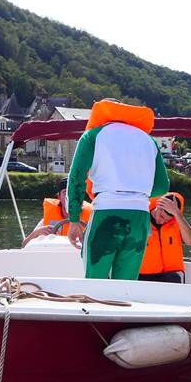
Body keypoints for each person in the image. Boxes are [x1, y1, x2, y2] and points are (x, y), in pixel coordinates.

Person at [66, 100, 169, 279]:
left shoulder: (92, 136)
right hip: (140, 218)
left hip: (106, 214)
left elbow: (76, 178)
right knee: (126, 287)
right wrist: (136, 193)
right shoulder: (148, 140)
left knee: (95, 282)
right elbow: (162, 185)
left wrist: (74, 220)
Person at [139, 192, 191, 283]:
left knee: (173, 278)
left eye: (165, 219)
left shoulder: (177, 221)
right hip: (143, 274)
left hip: (171, 274)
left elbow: (189, 241)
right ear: (158, 205)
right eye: (161, 216)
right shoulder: (141, 217)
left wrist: (177, 214)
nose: (160, 221)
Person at [21, 178, 92, 246]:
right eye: (65, 193)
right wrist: (36, 233)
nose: (69, 197)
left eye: (74, 193)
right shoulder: (46, 221)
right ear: (59, 197)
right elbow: (24, 245)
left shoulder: (92, 218)